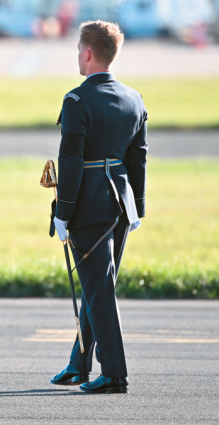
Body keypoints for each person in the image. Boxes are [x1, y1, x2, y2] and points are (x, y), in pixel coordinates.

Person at [48, 20, 147, 395]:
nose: (77, 56)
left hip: (88, 203)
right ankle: (79, 363)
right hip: (120, 203)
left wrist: (63, 211)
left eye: (78, 50)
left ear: (87, 54)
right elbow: (139, 158)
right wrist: (136, 206)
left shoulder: (77, 100)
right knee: (97, 284)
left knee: (99, 288)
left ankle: (115, 373)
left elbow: (71, 159)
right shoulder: (134, 98)